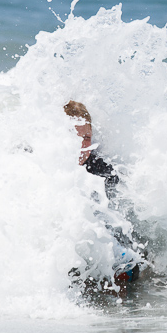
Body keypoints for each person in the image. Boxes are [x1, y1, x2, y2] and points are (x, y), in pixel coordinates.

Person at [64, 100, 139, 293]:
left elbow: (117, 222)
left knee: (130, 268)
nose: (83, 145)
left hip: (100, 245)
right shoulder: (43, 164)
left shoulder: (102, 171)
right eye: (76, 137)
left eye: (87, 137)